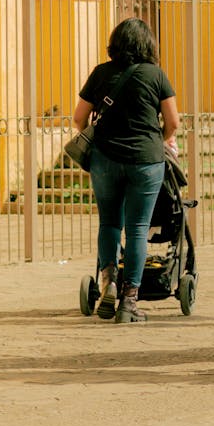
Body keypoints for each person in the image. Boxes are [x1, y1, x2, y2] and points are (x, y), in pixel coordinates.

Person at [72, 18, 180, 324]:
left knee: (109, 224)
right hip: (145, 160)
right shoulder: (156, 75)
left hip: (105, 158)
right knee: (136, 229)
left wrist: (93, 140)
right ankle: (129, 301)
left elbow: (78, 118)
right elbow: (173, 123)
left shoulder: (100, 73)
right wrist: (156, 141)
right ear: (148, 44)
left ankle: (109, 281)